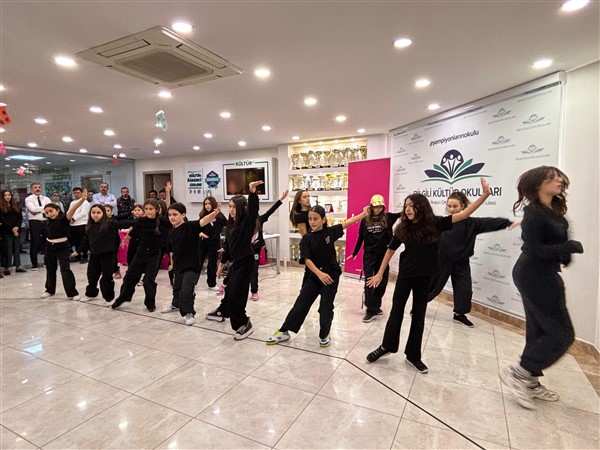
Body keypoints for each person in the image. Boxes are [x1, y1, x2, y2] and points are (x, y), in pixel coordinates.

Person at [365, 178, 491, 373]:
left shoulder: (436, 223)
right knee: (396, 312)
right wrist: (380, 274)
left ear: (421, 207)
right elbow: (390, 250)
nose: (407, 209)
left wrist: (485, 195)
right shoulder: (403, 227)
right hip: (405, 277)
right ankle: (386, 347)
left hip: (425, 278)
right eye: (406, 205)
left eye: (411, 205)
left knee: (419, 316)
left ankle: (413, 355)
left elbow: (465, 214)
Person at [499, 166, 583, 409]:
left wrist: (564, 253)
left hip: (544, 272)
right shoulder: (533, 213)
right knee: (562, 334)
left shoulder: (554, 210)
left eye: (559, 177)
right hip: (533, 274)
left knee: (539, 330)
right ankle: (520, 372)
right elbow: (535, 249)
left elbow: (553, 243)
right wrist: (566, 248)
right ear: (538, 184)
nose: (559, 180)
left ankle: (530, 381)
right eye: (552, 178)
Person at [266, 204, 369, 347]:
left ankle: (324, 334)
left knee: (326, 308)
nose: (312, 222)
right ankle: (284, 331)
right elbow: (307, 260)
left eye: (316, 219)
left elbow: (347, 223)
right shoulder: (306, 239)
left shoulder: (330, 232)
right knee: (301, 304)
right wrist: (319, 274)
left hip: (331, 278)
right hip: (314, 277)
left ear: (323, 220)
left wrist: (363, 214)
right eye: (310, 219)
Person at [427, 191, 517, 328]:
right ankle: (419, 306)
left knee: (464, 289)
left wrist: (507, 223)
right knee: (433, 286)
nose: (451, 209)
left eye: (455, 206)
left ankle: (459, 314)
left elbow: (489, 222)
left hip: (462, 262)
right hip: (442, 261)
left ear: (463, 206)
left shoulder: (472, 224)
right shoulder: (442, 223)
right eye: (449, 206)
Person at [205, 180, 262, 340]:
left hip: (246, 262)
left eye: (234, 207)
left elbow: (253, 211)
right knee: (229, 291)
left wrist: (252, 193)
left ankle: (243, 323)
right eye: (229, 206)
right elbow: (228, 247)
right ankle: (223, 311)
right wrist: (221, 265)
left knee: (236, 295)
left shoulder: (246, 222)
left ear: (242, 208)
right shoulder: (231, 224)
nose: (231, 210)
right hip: (236, 263)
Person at [162, 202, 222, 325]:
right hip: (178, 266)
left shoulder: (190, 226)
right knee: (177, 288)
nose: (172, 217)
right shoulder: (171, 233)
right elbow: (171, 251)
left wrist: (214, 213)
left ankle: (189, 312)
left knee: (187, 290)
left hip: (191, 266)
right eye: (170, 215)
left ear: (183, 215)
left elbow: (203, 221)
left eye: (175, 214)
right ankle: (175, 304)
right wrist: (172, 264)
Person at [348, 194, 401, 323]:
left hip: (383, 255)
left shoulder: (388, 217)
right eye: (375, 207)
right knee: (369, 282)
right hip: (369, 255)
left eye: (380, 207)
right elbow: (360, 237)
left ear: (383, 207)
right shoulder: (365, 220)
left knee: (382, 281)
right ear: (371, 206)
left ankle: (376, 306)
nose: (377, 209)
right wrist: (355, 253)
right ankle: (370, 310)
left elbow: (402, 214)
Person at [111, 199, 171, 312]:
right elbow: (132, 232)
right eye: (146, 209)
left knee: (148, 280)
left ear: (156, 210)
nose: (148, 211)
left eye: (151, 209)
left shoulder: (163, 221)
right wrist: (124, 240)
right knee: (130, 277)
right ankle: (124, 297)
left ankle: (150, 303)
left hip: (154, 254)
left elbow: (172, 230)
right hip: (140, 253)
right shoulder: (141, 221)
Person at [40, 189, 88, 300]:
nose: (49, 214)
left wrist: (82, 199)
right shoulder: (48, 221)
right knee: (50, 269)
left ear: (57, 209)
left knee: (65, 270)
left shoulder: (64, 218)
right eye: (47, 212)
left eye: (51, 211)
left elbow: (73, 208)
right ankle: (50, 289)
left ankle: (72, 293)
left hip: (63, 246)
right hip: (49, 247)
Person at [249, 189, 288, 300]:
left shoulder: (260, 220)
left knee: (254, 271)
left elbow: (271, 211)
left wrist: (281, 199)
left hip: (255, 249)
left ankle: (254, 291)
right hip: (246, 250)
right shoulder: (245, 221)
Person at [78, 204, 119, 305]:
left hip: (107, 255)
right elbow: (86, 240)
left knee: (106, 277)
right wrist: (78, 251)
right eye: (93, 212)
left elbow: (116, 237)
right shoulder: (89, 226)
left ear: (103, 213)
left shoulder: (110, 224)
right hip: (94, 255)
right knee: (92, 275)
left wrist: (114, 252)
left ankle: (109, 298)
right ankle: (91, 294)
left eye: (98, 213)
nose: (95, 215)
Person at [198, 196, 227, 291]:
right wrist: (201, 233)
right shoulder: (202, 215)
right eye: (205, 204)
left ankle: (212, 284)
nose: (207, 206)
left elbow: (228, 225)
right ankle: (192, 282)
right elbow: (198, 228)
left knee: (212, 264)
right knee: (198, 263)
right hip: (203, 242)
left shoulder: (219, 216)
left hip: (214, 243)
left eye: (209, 204)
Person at [25, 182, 51, 270]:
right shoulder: (28, 199)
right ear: (32, 189)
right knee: (35, 242)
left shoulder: (46, 198)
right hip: (35, 222)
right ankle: (34, 264)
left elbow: (51, 208)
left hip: (46, 222)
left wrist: (37, 210)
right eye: (35, 187)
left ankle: (47, 261)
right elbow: (32, 209)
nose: (37, 189)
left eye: (39, 187)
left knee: (48, 242)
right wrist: (44, 209)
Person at [0, 190, 26, 274]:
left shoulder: (15, 205)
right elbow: (2, 219)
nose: (8, 197)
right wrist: (12, 228)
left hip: (16, 230)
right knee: (8, 249)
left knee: (17, 248)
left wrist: (17, 227)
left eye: (9, 195)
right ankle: (7, 267)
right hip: (6, 230)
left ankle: (18, 265)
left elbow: (20, 217)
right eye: (5, 195)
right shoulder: (1, 207)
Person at [69, 187, 90, 264]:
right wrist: (69, 218)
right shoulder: (72, 202)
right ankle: (77, 256)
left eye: (78, 193)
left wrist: (74, 218)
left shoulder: (85, 202)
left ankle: (85, 256)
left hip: (81, 223)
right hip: (73, 224)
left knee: (82, 241)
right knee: (76, 241)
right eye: (75, 193)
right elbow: (70, 211)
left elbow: (83, 213)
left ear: (81, 193)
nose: (76, 194)